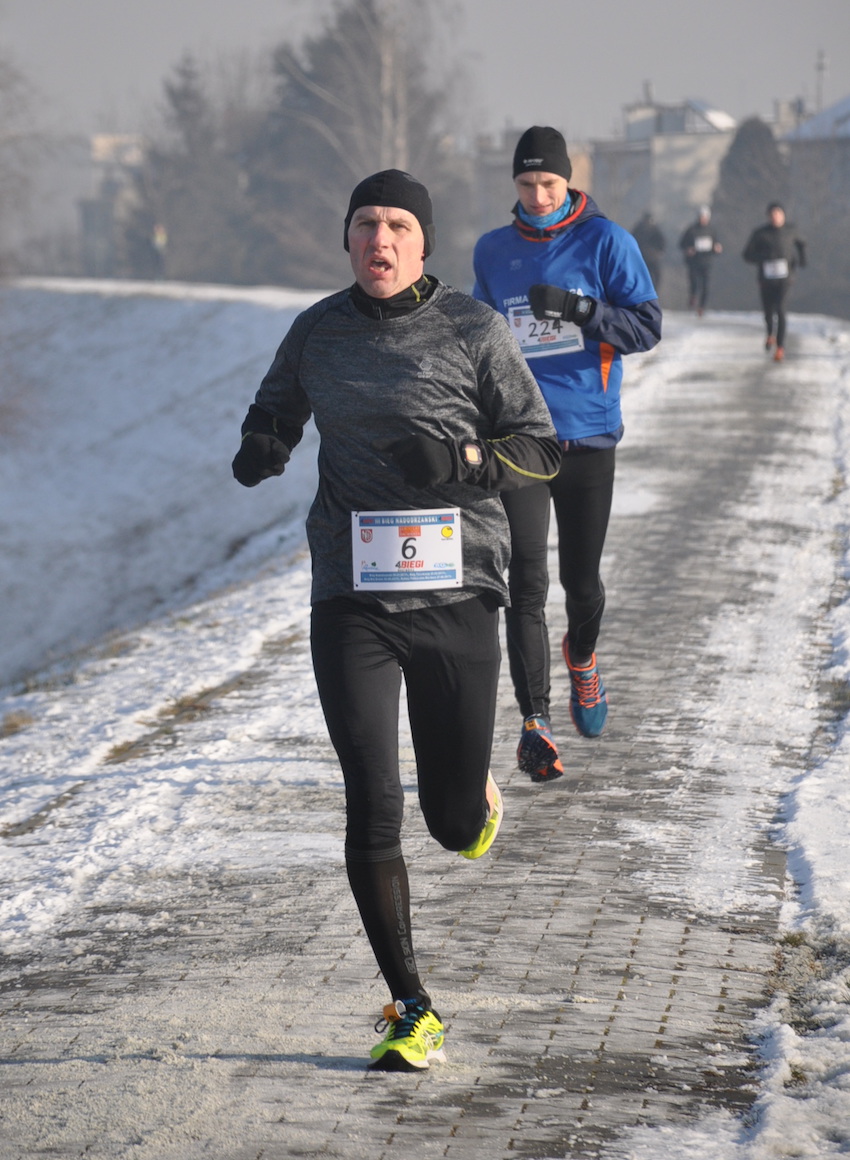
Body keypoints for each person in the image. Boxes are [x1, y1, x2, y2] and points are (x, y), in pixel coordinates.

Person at [232, 169, 561, 1072]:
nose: (380, 239)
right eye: (366, 224)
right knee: (372, 800)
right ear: (347, 238)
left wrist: (462, 459)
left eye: (398, 226)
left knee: (450, 825)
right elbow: (276, 409)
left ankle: (470, 798)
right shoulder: (317, 331)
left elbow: (541, 450)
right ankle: (414, 1008)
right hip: (352, 597)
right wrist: (264, 444)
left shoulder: (472, 329)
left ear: (423, 244)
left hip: (457, 595)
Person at [472, 126, 661, 782]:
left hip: (587, 434)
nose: (538, 196)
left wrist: (582, 310)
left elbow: (647, 326)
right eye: (526, 184)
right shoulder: (493, 251)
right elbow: (479, 344)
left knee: (581, 585)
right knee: (525, 583)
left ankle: (582, 656)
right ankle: (537, 723)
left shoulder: (607, 241)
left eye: (548, 183)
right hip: (521, 439)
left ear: (568, 179)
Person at [743, 201, 806, 362]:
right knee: (768, 311)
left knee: (781, 309)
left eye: (778, 214)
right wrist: (762, 258)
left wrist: (802, 260)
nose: (775, 217)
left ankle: (780, 347)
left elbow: (801, 244)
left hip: (785, 278)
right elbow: (747, 255)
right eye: (772, 214)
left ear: (783, 215)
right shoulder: (760, 233)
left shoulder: (791, 230)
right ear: (768, 216)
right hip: (766, 279)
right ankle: (770, 333)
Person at [678, 205, 722, 315]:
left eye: (705, 217)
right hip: (693, 262)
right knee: (694, 282)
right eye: (701, 217)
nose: (703, 219)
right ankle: (693, 296)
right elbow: (682, 244)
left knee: (705, 285)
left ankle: (702, 307)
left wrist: (717, 249)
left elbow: (715, 244)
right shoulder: (691, 230)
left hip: (707, 262)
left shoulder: (711, 230)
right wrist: (688, 249)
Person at [630, 211, 666, 294]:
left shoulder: (652, 229)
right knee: (653, 275)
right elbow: (631, 239)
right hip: (644, 256)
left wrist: (660, 251)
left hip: (646, 257)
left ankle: (649, 291)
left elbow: (661, 242)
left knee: (653, 275)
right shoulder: (641, 228)